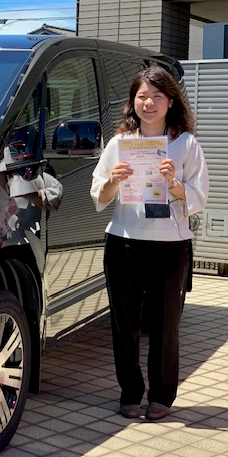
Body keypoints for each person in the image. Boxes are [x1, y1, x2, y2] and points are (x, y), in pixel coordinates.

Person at [90, 66, 209, 421]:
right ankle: (130, 391)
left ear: (171, 101)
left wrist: (174, 184)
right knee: (124, 323)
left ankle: (161, 395)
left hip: (171, 245)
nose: (149, 103)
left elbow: (200, 195)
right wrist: (113, 181)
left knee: (164, 324)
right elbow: (99, 195)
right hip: (125, 241)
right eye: (142, 96)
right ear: (133, 102)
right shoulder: (119, 144)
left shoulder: (186, 144)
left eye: (157, 96)